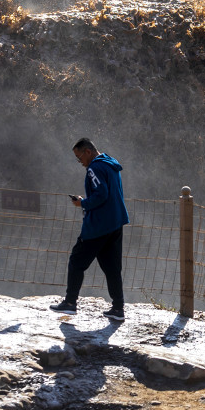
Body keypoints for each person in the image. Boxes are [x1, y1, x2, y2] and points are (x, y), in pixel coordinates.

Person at [49, 138, 130, 321]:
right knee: (112, 268)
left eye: (79, 158)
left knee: (77, 261)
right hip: (115, 223)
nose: (80, 163)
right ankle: (118, 308)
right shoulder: (110, 163)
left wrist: (82, 203)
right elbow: (107, 192)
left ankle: (70, 303)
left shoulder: (94, 167)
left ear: (88, 152)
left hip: (99, 225)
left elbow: (101, 194)